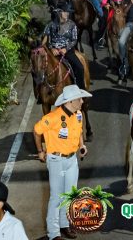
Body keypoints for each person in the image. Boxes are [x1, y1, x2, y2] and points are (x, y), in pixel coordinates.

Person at [34, 85, 92, 240]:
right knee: (56, 197)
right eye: (79, 99)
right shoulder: (52, 118)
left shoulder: (78, 114)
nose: (82, 101)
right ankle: (54, 233)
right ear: (71, 101)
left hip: (72, 159)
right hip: (56, 160)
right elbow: (36, 130)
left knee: (69, 195)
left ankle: (64, 225)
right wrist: (40, 151)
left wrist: (81, 146)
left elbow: (79, 130)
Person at [42, 4, 85, 91]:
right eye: (65, 12)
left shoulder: (72, 25)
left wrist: (65, 49)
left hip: (67, 51)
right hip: (53, 51)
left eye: (67, 12)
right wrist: (51, 48)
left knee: (80, 67)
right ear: (59, 13)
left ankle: (81, 90)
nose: (67, 14)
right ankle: (40, 93)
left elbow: (74, 40)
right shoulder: (50, 25)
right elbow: (45, 40)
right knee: (39, 68)